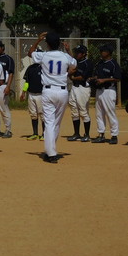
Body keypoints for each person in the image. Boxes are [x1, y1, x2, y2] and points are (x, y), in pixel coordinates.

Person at [28, 32, 77, 163]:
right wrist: (68, 50)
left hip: (48, 91)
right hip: (62, 92)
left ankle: (51, 153)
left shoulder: (44, 55)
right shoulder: (65, 56)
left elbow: (30, 53)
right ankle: (51, 151)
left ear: (47, 44)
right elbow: (74, 65)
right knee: (56, 123)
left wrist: (38, 40)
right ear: (59, 43)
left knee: (49, 123)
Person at [90, 44, 121, 144]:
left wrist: (104, 80)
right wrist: (93, 78)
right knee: (99, 114)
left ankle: (114, 136)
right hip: (99, 91)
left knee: (110, 113)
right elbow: (97, 75)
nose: (101, 52)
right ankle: (101, 134)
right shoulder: (99, 63)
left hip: (109, 91)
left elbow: (117, 78)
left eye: (103, 51)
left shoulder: (113, 64)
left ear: (108, 53)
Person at [67, 45, 94, 142]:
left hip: (83, 89)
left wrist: (72, 76)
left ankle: (87, 135)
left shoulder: (88, 63)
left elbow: (83, 77)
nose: (76, 54)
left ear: (83, 54)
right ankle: (76, 133)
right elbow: (70, 68)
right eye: (76, 52)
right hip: (75, 87)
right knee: (74, 109)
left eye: (78, 52)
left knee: (83, 111)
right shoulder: (76, 62)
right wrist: (68, 50)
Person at [0, 39, 15, 138]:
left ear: (2, 47)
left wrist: (8, 86)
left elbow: (11, 74)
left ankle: (8, 130)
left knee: (3, 108)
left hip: (3, 85)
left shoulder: (8, 59)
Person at [20, 61, 45, 140]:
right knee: (33, 114)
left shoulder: (44, 68)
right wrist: (23, 92)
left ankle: (44, 134)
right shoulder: (30, 68)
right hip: (31, 94)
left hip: (41, 94)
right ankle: (35, 134)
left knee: (42, 115)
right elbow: (27, 82)